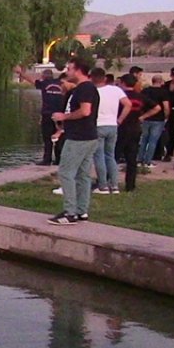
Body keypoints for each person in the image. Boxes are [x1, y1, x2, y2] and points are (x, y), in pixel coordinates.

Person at [48, 57, 98, 225]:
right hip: (87, 136)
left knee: (65, 172)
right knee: (83, 175)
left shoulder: (85, 88)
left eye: (69, 69)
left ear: (78, 70)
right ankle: (81, 211)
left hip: (79, 137)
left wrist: (64, 117)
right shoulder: (81, 89)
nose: (67, 72)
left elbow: (85, 111)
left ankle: (70, 212)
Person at [92, 67, 132, 195]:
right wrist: (120, 119)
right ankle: (114, 185)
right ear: (104, 78)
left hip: (98, 125)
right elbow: (128, 104)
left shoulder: (92, 91)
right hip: (112, 125)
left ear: (92, 78)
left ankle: (102, 185)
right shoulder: (116, 90)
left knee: (99, 156)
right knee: (110, 155)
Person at [16, 66, 65, 166]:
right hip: (60, 115)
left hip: (47, 114)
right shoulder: (61, 84)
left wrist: (20, 72)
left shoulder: (44, 84)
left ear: (43, 76)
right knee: (59, 137)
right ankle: (59, 159)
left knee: (47, 138)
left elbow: (31, 79)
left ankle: (47, 160)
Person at [118, 73, 157, 191]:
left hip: (121, 127)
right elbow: (157, 108)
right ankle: (130, 185)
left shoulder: (120, 96)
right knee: (132, 158)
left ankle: (109, 181)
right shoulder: (140, 97)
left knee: (113, 156)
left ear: (122, 83)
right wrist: (143, 117)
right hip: (135, 128)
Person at [138, 75, 170, 169]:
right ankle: (148, 161)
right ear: (161, 82)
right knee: (153, 141)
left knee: (144, 140)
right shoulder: (164, 92)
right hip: (158, 119)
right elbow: (166, 107)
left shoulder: (145, 91)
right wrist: (166, 116)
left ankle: (139, 159)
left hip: (145, 118)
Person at [156, 67, 174, 161]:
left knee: (172, 132)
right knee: (160, 131)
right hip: (164, 109)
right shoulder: (166, 85)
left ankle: (169, 152)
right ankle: (158, 152)